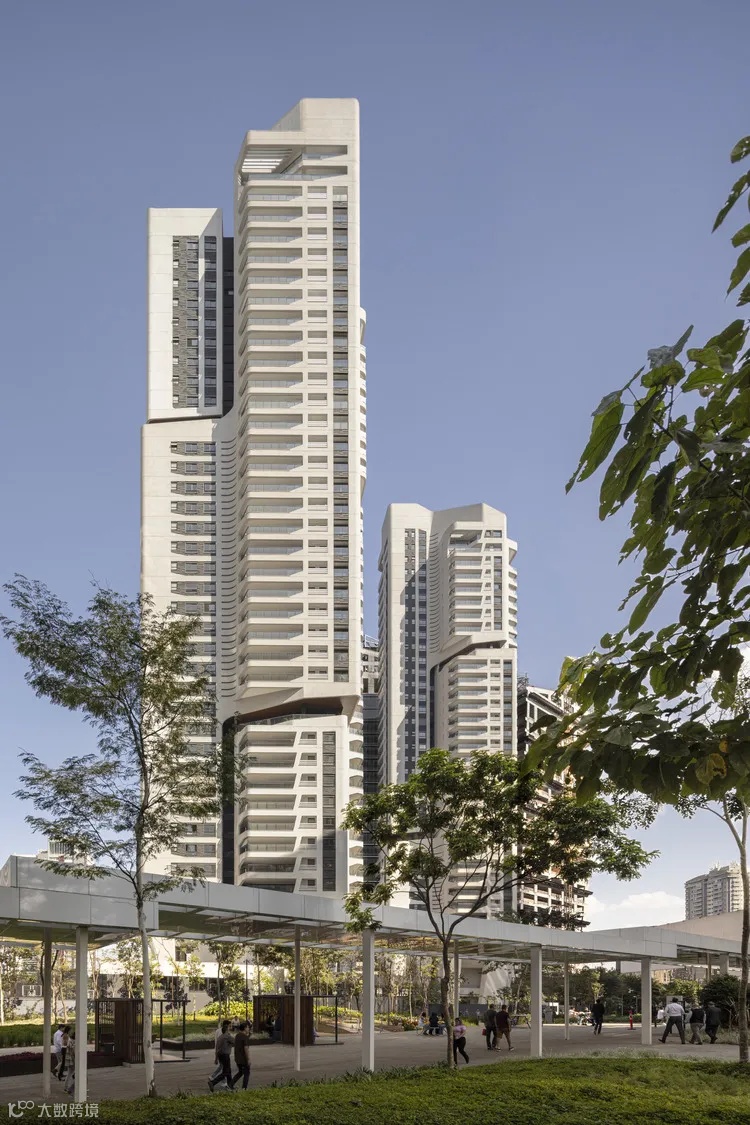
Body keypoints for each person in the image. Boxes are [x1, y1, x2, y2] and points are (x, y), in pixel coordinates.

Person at [209, 1019, 234, 1091]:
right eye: (229, 1026)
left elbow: (217, 1046)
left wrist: (216, 1057)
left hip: (220, 1054)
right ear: (226, 1028)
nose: (230, 1028)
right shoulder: (227, 1036)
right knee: (226, 1071)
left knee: (228, 1071)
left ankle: (230, 1085)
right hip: (225, 1055)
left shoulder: (220, 1036)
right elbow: (235, 1041)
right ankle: (213, 1082)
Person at [231, 1020, 251, 1090]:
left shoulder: (237, 1035)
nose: (248, 1029)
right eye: (248, 1027)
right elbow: (246, 1048)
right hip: (243, 1059)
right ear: (245, 1028)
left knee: (240, 1072)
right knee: (246, 1073)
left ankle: (231, 1084)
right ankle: (244, 1088)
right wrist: (248, 1059)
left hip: (237, 1058)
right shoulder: (244, 1037)